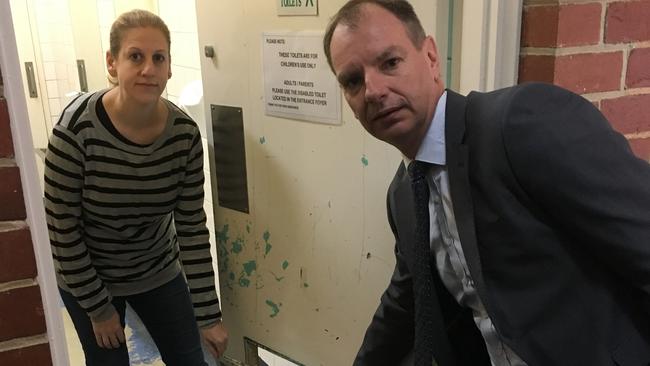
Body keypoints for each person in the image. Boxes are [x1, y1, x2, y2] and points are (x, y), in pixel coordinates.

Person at [324, 1, 650, 365]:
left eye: (390, 63)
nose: (373, 90)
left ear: (430, 58)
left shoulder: (520, 123)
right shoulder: (404, 195)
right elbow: (406, 301)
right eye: (353, 81)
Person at [44, 9, 228, 366]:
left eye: (159, 58)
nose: (148, 69)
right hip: (88, 274)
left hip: (155, 266)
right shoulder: (75, 132)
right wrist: (99, 309)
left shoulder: (184, 136)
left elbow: (190, 227)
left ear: (169, 67)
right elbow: (62, 230)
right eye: (135, 56)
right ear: (112, 64)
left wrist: (209, 316)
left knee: (192, 359)